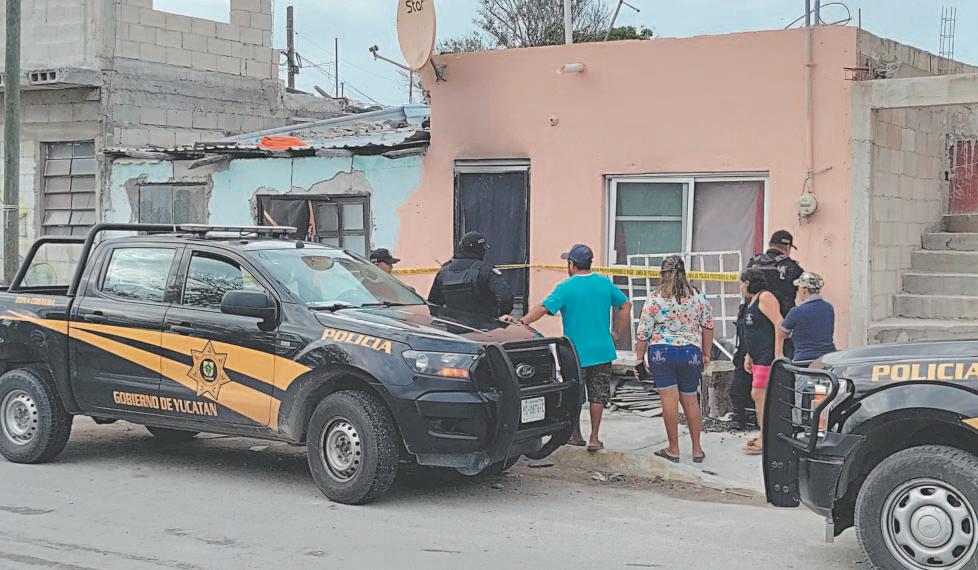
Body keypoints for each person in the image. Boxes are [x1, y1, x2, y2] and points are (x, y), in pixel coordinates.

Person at [519, 244, 631, 452]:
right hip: (602, 350)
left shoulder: (566, 287)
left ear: (571, 264)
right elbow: (626, 305)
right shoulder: (604, 283)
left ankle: (575, 435)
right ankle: (595, 438)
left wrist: (522, 322)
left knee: (575, 394)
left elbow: (544, 307)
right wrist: (617, 333)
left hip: (575, 352)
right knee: (598, 394)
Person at [634, 255, 713, 464]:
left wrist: (639, 358)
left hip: (662, 352)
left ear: (662, 273)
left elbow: (643, 332)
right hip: (690, 352)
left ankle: (673, 449)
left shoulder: (655, 298)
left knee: (669, 400)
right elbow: (708, 327)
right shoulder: (698, 296)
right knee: (690, 399)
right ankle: (697, 449)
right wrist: (706, 353)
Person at [739, 267, 783, 455]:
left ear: (747, 283)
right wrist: (749, 355)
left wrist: (778, 354)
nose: (740, 288)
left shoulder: (765, 297)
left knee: (759, 394)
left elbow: (779, 323)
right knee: (758, 396)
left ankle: (766, 437)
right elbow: (754, 330)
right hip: (757, 356)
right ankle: (764, 433)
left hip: (767, 356)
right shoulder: (752, 301)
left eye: (741, 284)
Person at [427, 232, 514, 318]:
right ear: (481, 250)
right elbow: (506, 298)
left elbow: (433, 303)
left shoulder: (444, 271)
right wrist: (498, 316)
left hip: (453, 324)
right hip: (484, 324)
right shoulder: (486, 270)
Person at [780, 272, 836, 363]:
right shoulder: (828, 308)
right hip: (827, 358)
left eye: (798, 288)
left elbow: (783, 333)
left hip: (804, 359)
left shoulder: (796, 311)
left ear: (804, 290)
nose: (797, 291)